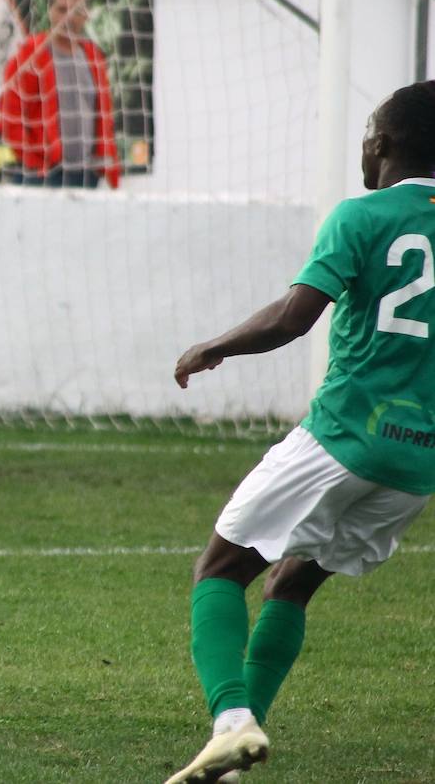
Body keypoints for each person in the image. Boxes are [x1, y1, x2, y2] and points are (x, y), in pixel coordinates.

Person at [165, 82, 435, 784]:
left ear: (382, 146)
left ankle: (230, 719)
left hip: (343, 435)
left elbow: (295, 316)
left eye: (368, 138)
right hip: (416, 464)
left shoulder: (364, 214)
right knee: (291, 583)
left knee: (220, 571)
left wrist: (213, 346)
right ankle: (234, 752)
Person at [0, 0, 120, 189]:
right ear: (50, 11)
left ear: (86, 15)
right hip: (41, 175)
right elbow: (9, 116)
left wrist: (104, 164)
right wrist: (34, 162)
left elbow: (104, 116)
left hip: (85, 174)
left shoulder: (93, 56)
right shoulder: (31, 54)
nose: (69, 18)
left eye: (77, 11)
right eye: (62, 10)